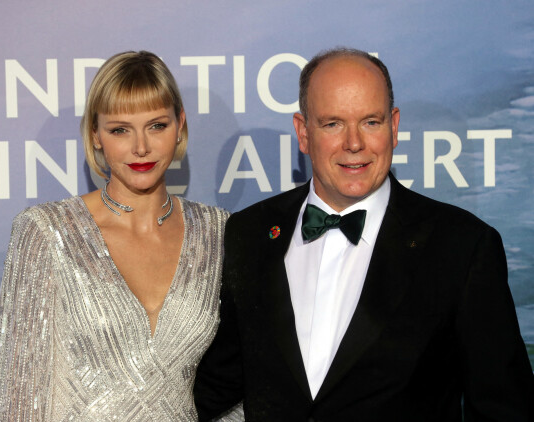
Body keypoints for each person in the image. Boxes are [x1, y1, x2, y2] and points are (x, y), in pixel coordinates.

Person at [194, 47, 534, 421]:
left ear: (394, 126)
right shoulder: (251, 233)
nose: (354, 143)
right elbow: (218, 382)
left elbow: (505, 409)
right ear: (303, 133)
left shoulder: (462, 246)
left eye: (370, 122)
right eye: (332, 124)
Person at [0, 51, 231, 421]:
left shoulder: (219, 233)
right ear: (95, 135)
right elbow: (19, 396)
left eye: (157, 125)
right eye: (120, 129)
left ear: (180, 125)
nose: (140, 147)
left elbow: (239, 385)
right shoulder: (47, 231)